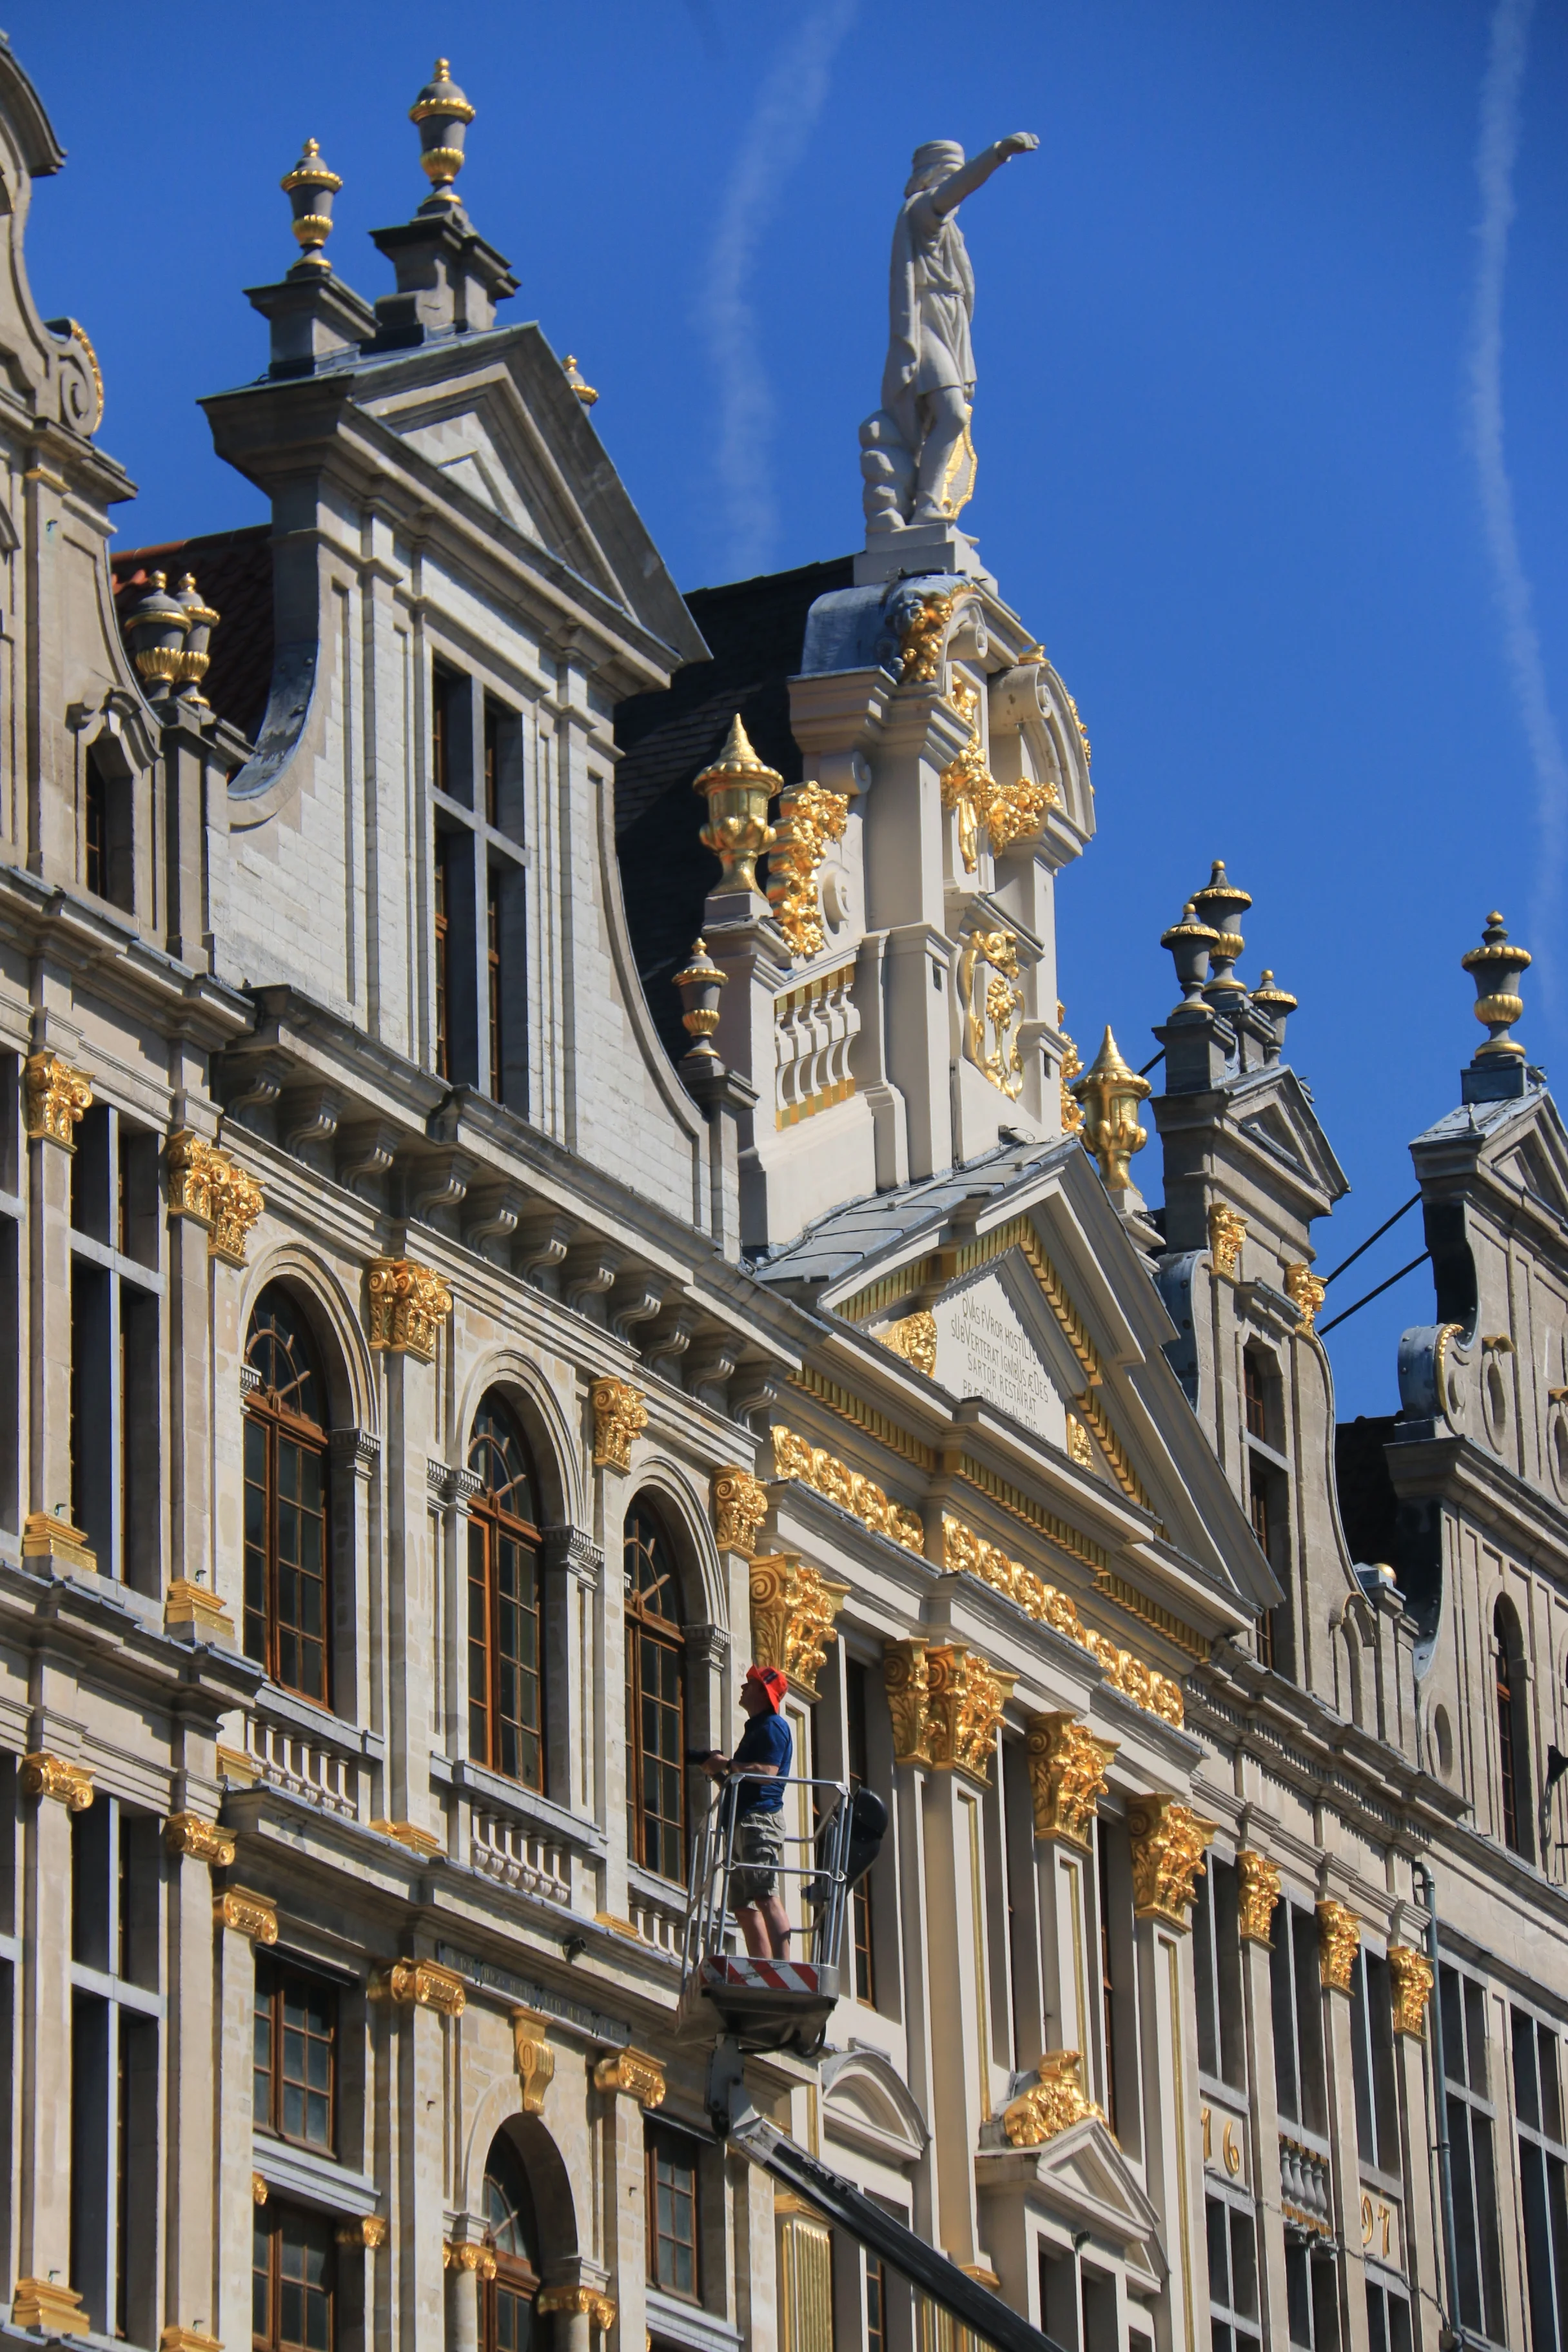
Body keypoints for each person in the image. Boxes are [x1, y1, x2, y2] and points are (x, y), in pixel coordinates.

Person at [874, 132, 1039, 527]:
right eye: (949, 176)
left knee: (943, 418)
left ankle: (920, 502)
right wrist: (998, 154)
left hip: (951, 323)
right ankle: (927, 504)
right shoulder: (921, 210)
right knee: (951, 414)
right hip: (927, 320)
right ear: (929, 178)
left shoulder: (952, 231)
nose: (955, 187)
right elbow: (958, 189)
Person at [701, 1665, 792, 1959]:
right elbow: (743, 1779)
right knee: (743, 1905)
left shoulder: (773, 1726)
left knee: (765, 1894)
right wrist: (719, 1771)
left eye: (750, 1684)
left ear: (763, 1693)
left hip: (759, 1819)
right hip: (743, 1821)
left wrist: (728, 1765)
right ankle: (763, 1966)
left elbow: (767, 1773)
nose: (743, 1687)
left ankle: (782, 1967)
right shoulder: (758, 1727)